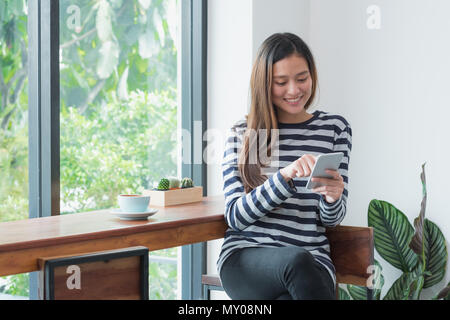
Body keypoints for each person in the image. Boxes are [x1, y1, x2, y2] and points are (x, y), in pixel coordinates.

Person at [217, 32, 352, 300]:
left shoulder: (334, 128)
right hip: (246, 258)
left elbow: (331, 219)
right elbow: (236, 216)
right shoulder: (244, 134)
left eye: (302, 78)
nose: (294, 90)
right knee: (296, 261)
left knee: (294, 279)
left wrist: (333, 197)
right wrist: (285, 177)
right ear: (264, 84)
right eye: (281, 82)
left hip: (312, 260)